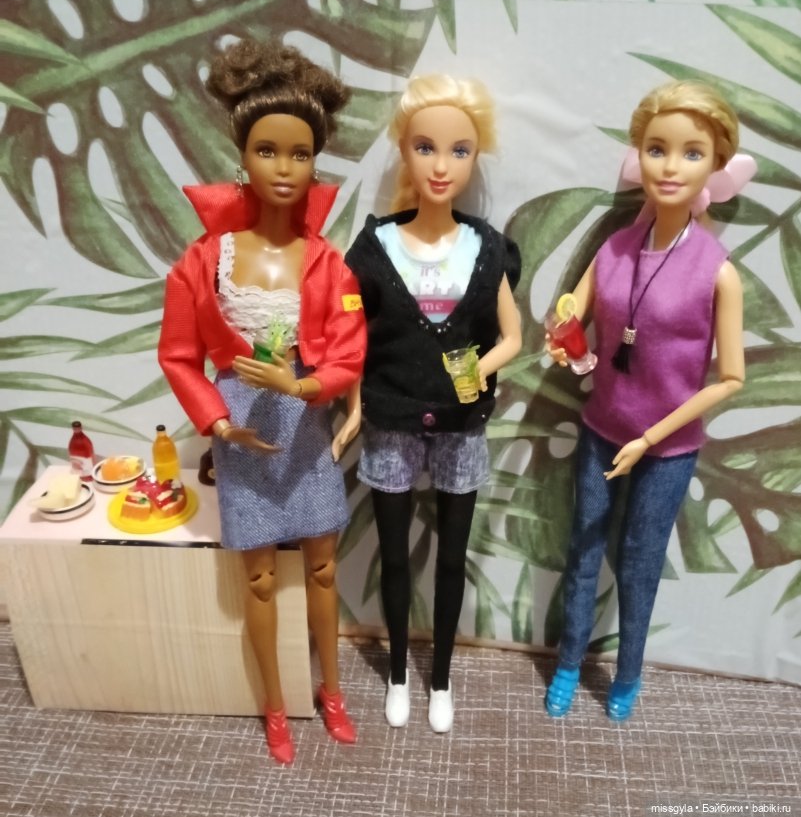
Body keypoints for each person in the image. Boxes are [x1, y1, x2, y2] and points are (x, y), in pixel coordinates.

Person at [158, 39, 366, 764]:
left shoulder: (327, 261)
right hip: (241, 428)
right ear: (242, 157)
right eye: (267, 150)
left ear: (316, 163)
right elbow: (178, 355)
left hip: (305, 423)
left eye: (300, 153)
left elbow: (348, 351)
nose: (283, 167)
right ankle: (274, 705)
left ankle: (331, 691)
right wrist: (218, 422)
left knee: (322, 567)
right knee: (257, 575)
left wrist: (302, 385)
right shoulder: (203, 260)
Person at [544, 80, 748, 722]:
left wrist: (651, 437)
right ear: (640, 155)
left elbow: (731, 378)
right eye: (657, 149)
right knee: (583, 548)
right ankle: (569, 662)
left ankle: (628, 673)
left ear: (716, 165)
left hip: (667, 448)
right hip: (602, 426)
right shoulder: (615, 247)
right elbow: (574, 304)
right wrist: (564, 330)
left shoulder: (717, 271)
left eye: (692, 153)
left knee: (638, 563)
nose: (671, 166)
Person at [336, 74, 522, 733]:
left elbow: (513, 337)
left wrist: (471, 370)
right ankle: (396, 674)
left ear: (475, 156)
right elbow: (351, 336)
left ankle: (439, 678)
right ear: (404, 151)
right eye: (425, 147)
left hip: (462, 424)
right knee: (392, 555)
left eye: (458, 150)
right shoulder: (375, 247)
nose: (441, 166)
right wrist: (353, 407)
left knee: (449, 558)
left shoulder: (487, 248)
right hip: (389, 418)